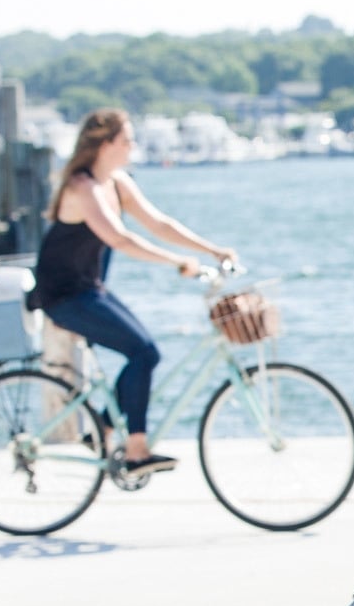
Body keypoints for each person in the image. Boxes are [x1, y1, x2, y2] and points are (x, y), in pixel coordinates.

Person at [31, 108, 236, 478]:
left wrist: (212, 250)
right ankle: (136, 451)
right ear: (106, 144)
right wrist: (177, 261)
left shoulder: (116, 183)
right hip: (62, 296)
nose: (132, 146)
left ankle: (103, 429)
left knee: (145, 354)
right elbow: (119, 239)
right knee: (142, 352)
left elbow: (159, 223)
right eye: (127, 140)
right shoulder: (83, 187)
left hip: (90, 289)